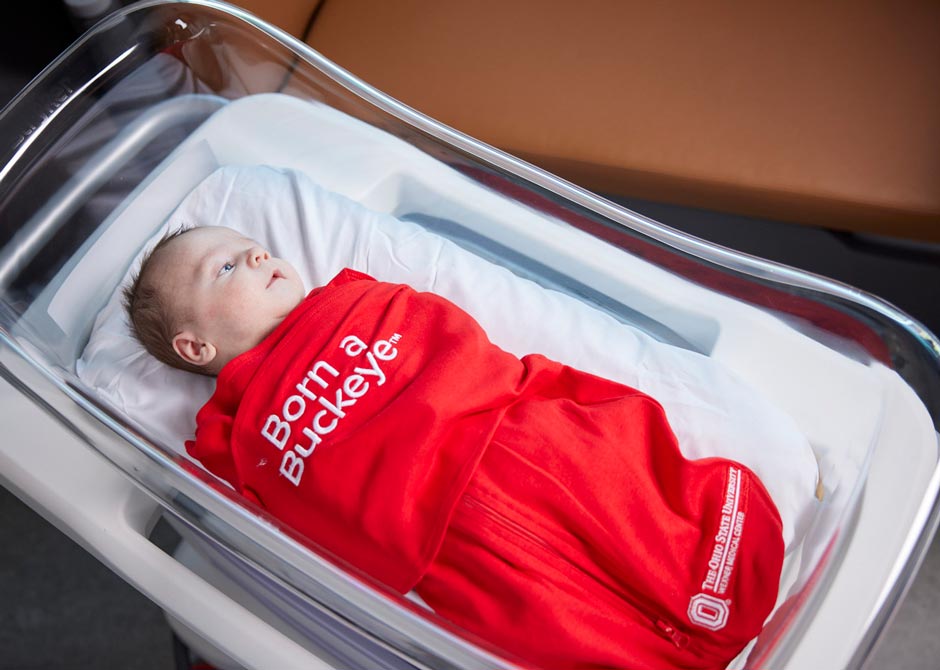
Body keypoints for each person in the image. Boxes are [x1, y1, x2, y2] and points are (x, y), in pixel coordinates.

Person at [125, 224, 818, 670]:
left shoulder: (354, 298)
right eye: (224, 270)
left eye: (255, 246)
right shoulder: (227, 438)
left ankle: (712, 562)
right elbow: (263, 524)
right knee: (546, 624)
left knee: (622, 494)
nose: (256, 254)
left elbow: (448, 336)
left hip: (511, 432)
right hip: (442, 540)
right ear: (196, 346)